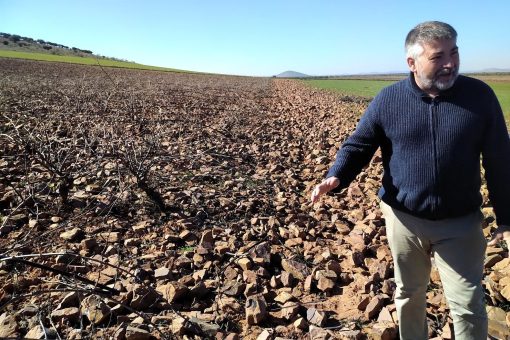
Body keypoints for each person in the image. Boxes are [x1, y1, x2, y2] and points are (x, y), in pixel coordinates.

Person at [310, 21, 510, 340]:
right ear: (412, 63)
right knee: (409, 295)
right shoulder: (389, 100)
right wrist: (338, 174)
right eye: (438, 56)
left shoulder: (480, 97)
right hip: (404, 220)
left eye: (454, 53)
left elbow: (500, 158)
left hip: (460, 223)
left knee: (468, 305)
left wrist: (506, 217)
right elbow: (360, 144)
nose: (450, 63)